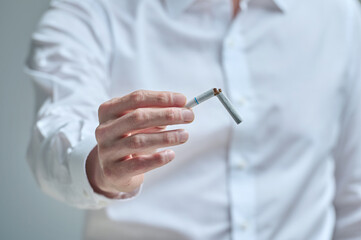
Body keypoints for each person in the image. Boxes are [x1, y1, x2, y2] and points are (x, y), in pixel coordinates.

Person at [25, 0, 361, 239]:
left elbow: (354, 196)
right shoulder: (92, 11)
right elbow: (55, 131)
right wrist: (100, 166)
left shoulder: (337, 15)